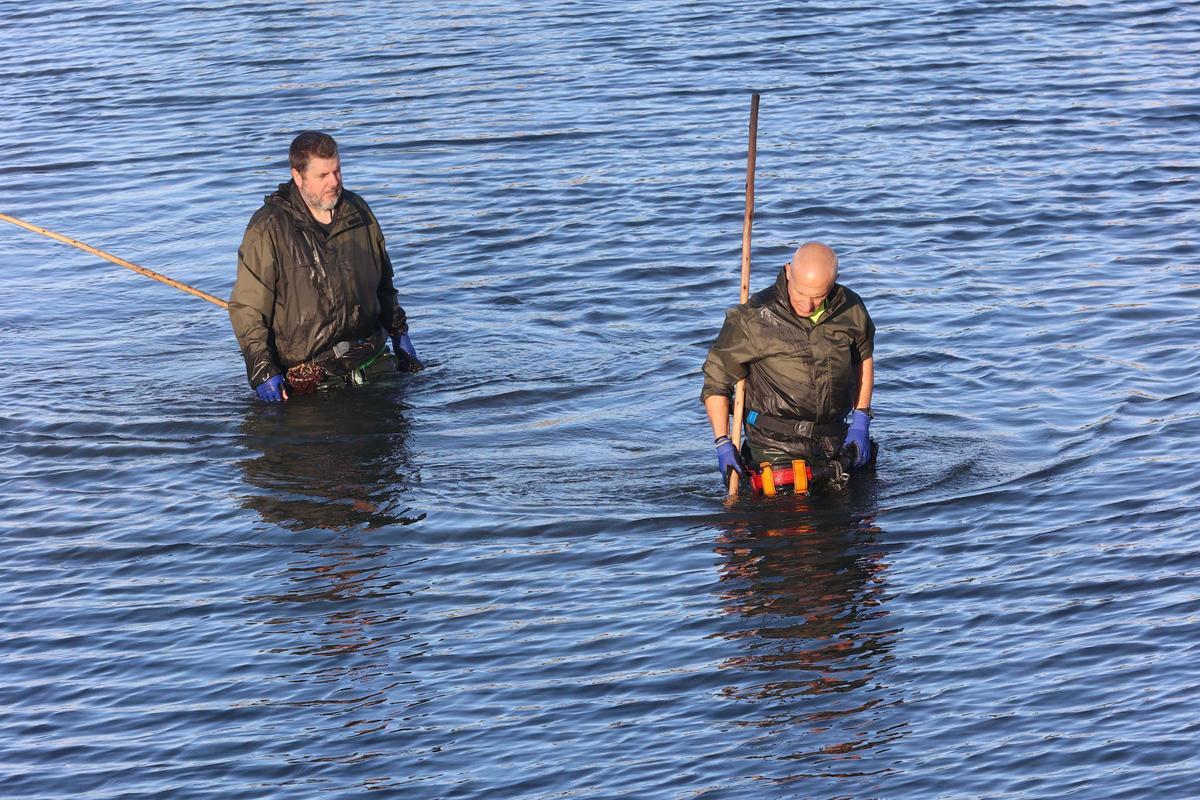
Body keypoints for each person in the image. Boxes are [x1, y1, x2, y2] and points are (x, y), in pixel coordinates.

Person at [229, 130, 422, 402]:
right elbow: (248, 309)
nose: (334, 182)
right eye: (323, 175)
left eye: (337, 171)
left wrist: (399, 333)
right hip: (309, 378)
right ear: (298, 176)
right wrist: (261, 368)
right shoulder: (268, 228)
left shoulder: (359, 212)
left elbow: (384, 284)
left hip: (371, 360)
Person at [701, 241, 875, 488]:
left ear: (834, 282)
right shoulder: (753, 318)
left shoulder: (851, 308)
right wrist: (722, 442)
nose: (807, 305)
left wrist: (861, 421)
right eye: (800, 294)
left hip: (837, 442)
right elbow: (716, 382)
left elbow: (863, 359)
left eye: (818, 297)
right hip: (775, 448)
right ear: (788, 272)